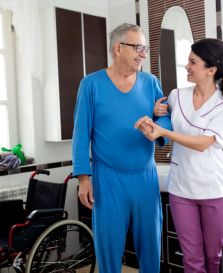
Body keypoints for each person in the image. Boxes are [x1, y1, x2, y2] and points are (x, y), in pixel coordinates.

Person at [135, 38, 223, 273]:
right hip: (181, 189)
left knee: (212, 257)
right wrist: (155, 113)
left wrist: (165, 131)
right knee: (191, 258)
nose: (186, 66)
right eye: (188, 61)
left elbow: (204, 143)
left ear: (211, 70)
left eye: (192, 62)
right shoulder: (177, 95)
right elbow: (162, 117)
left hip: (213, 191)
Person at [72, 23, 171, 273]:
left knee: (151, 249)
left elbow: (165, 119)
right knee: (109, 250)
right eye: (138, 47)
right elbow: (81, 135)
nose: (144, 55)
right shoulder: (90, 84)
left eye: (145, 48)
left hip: (145, 178)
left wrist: (157, 126)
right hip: (108, 179)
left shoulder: (151, 82)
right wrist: (84, 179)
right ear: (118, 48)